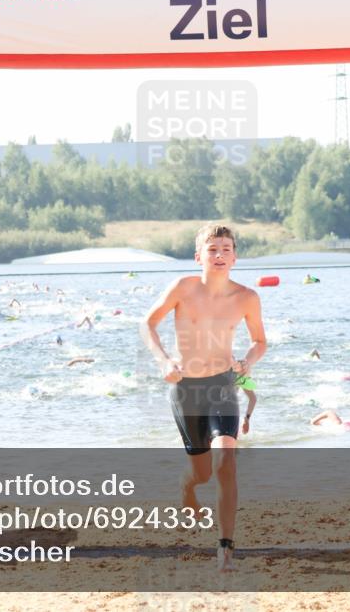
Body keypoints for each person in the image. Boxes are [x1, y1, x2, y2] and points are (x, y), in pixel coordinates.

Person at [140, 224, 267, 572]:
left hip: (223, 385)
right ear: (199, 256)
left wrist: (247, 362)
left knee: (226, 460)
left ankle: (225, 546)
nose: (220, 254)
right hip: (186, 390)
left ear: (235, 257)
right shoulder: (183, 287)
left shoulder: (246, 297)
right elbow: (147, 323)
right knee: (201, 473)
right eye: (213, 249)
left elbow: (260, 342)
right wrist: (164, 361)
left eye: (226, 248)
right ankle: (186, 488)